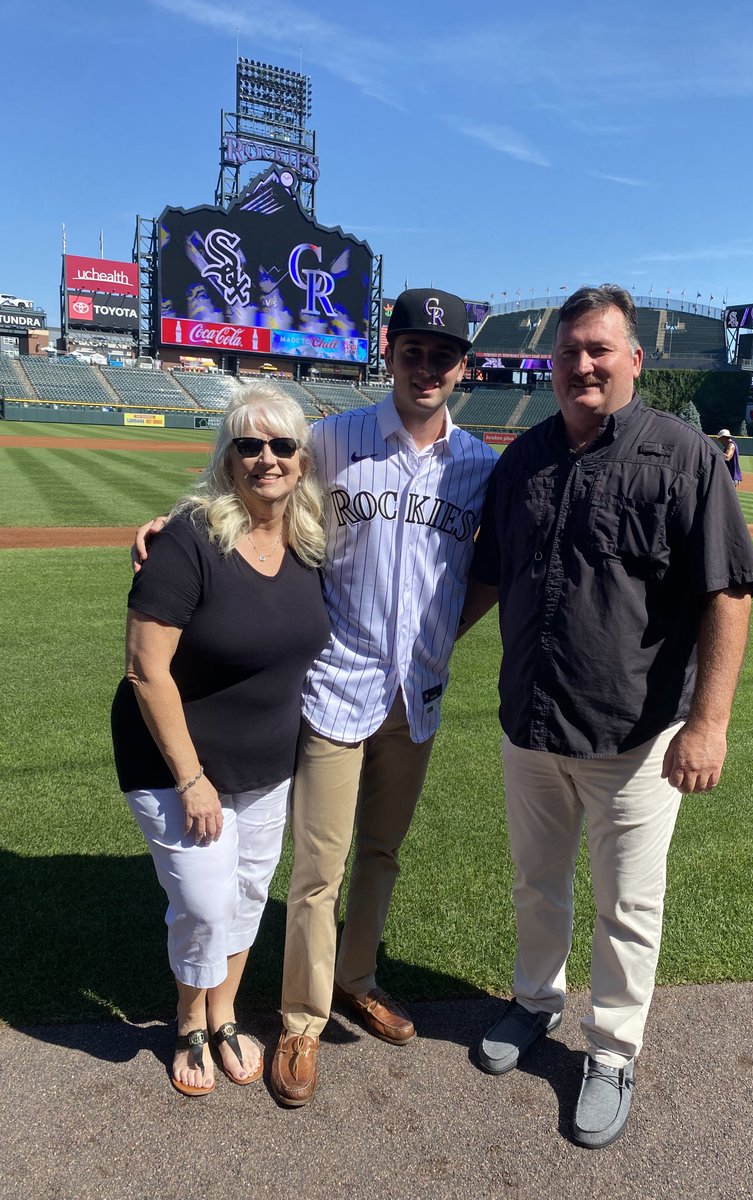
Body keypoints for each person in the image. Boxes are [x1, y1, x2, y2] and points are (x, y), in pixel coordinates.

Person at [135, 289, 497, 1107]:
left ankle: (359, 978)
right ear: (389, 354)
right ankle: (300, 1019)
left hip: (421, 693)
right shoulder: (333, 440)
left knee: (382, 853)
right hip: (337, 682)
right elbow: (250, 480)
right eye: (413, 349)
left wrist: (441, 635)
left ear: (462, 367)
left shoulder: (480, 465)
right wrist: (171, 523)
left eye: (443, 354)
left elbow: (492, 571)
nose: (427, 366)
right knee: (316, 868)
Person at [459, 285, 753, 1149]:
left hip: (635, 735)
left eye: (600, 349)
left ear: (634, 359)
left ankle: (613, 1050)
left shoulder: (683, 456)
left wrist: (710, 722)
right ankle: (534, 1003)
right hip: (531, 722)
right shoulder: (523, 460)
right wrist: (432, 643)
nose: (583, 365)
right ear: (550, 364)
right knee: (536, 881)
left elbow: (729, 590)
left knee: (628, 904)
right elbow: (491, 573)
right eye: (569, 352)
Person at [113, 384, 330, 1097]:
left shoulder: (310, 540)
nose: (266, 459)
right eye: (248, 445)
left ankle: (226, 1012)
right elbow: (147, 671)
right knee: (204, 903)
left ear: (302, 459)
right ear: (228, 456)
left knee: (245, 893)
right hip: (178, 762)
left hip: (268, 760)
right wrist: (191, 777)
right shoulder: (190, 538)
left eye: (281, 445)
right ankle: (188, 1021)